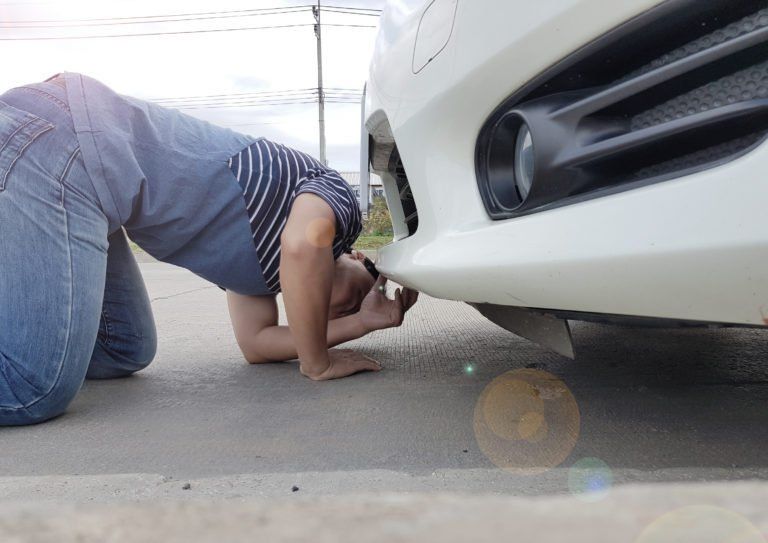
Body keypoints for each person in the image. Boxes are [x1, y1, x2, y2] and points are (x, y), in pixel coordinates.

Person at [0, 73, 418, 427]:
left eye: (340, 315)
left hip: (92, 178)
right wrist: (318, 363)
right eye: (362, 292)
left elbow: (257, 344)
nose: (342, 308)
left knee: (124, 349)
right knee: (35, 389)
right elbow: (304, 244)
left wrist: (361, 323)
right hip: (67, 139)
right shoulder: (339, 204)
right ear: (358, 257)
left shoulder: (256, 275)